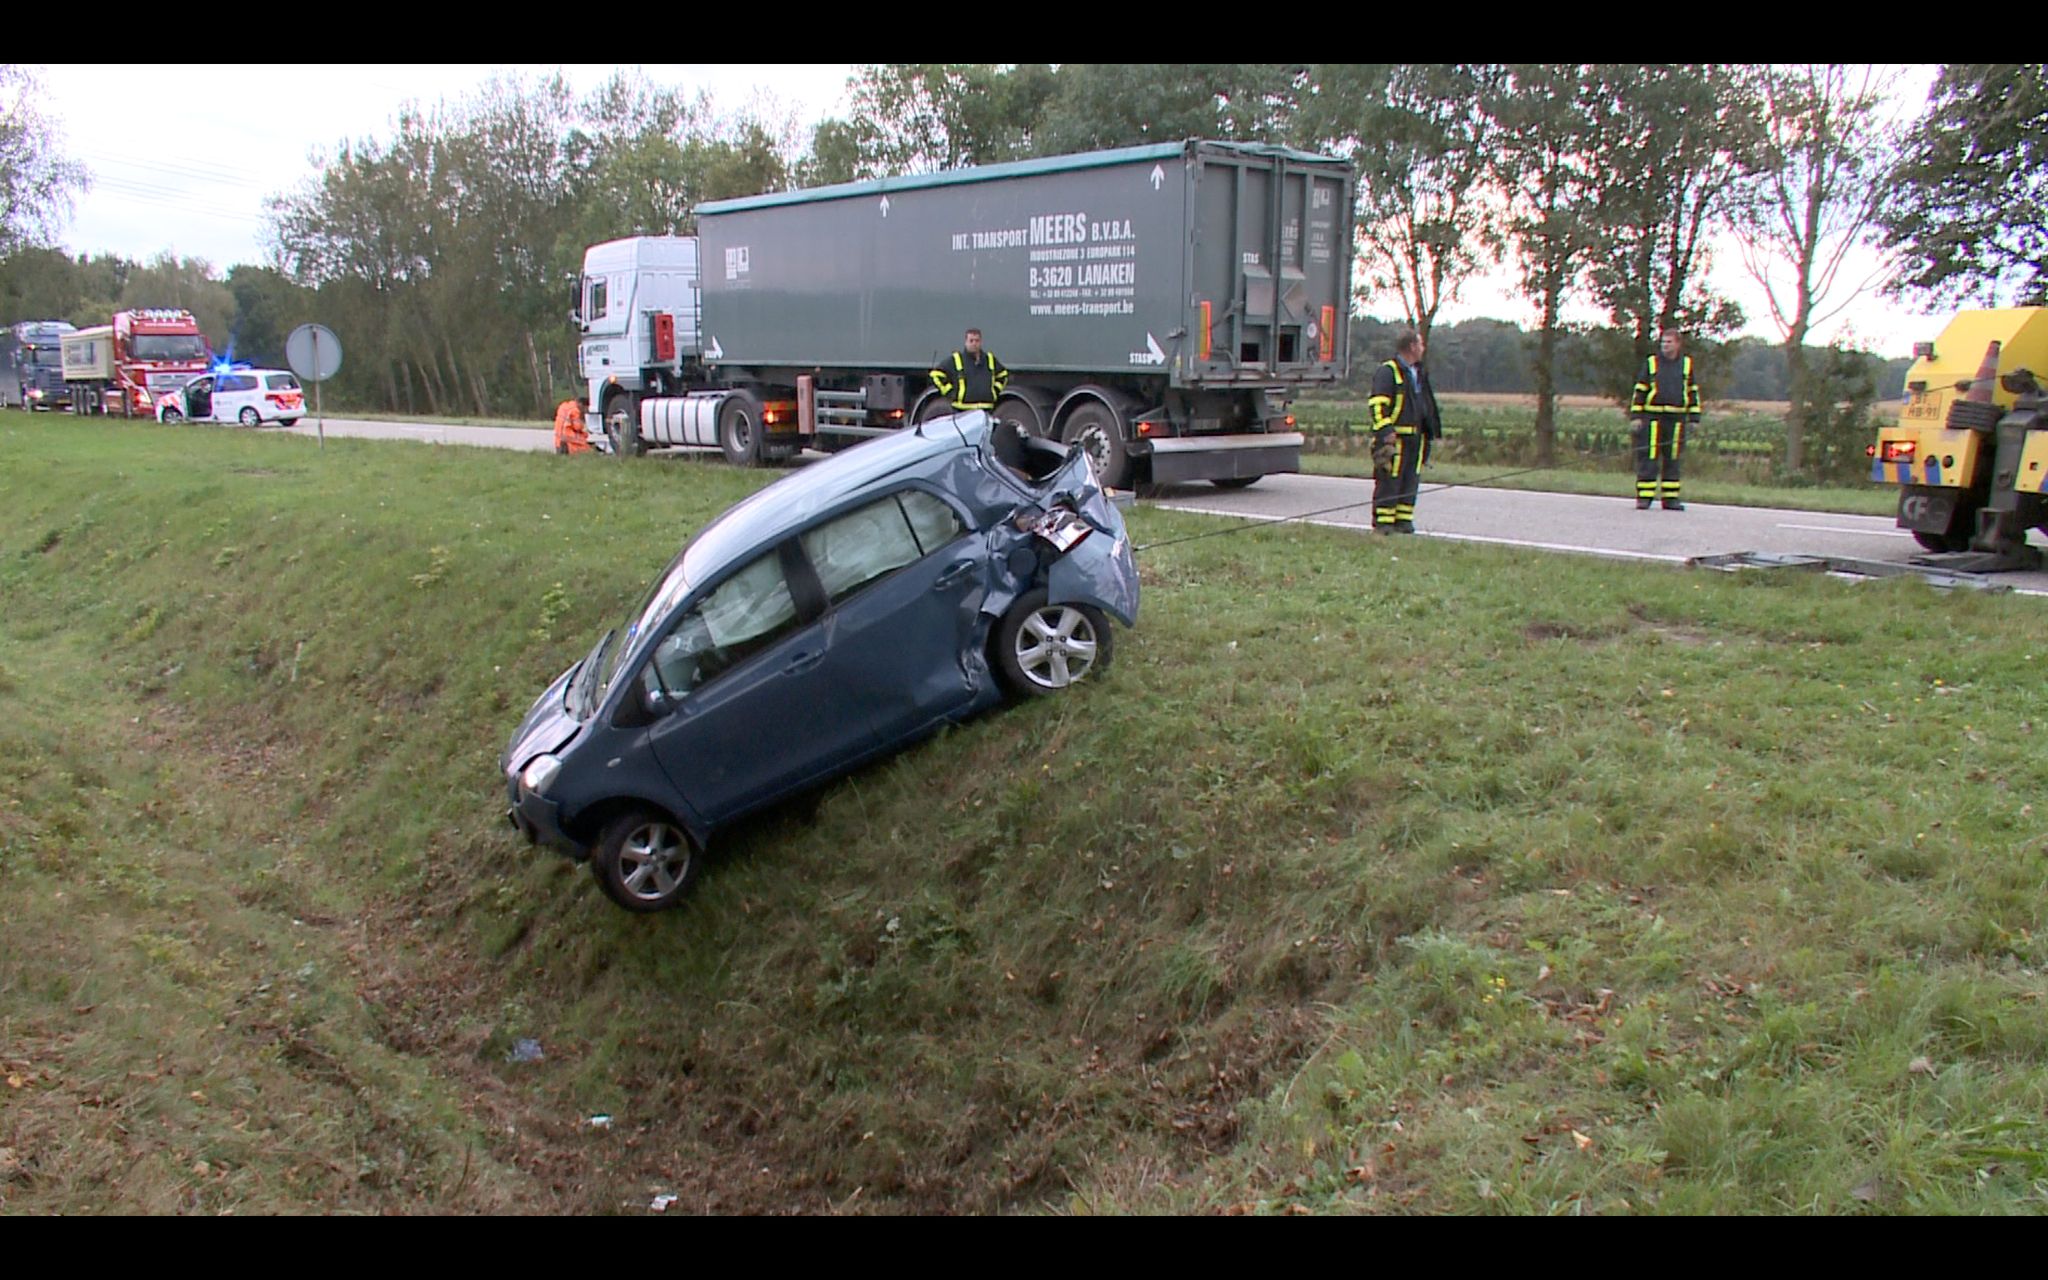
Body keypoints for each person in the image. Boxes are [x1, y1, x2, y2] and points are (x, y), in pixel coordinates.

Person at [1367, 328, 1442, 533]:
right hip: (1395, 438)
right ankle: (1384, 523)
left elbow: (1426, 404)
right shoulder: (1388, 371)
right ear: (1412, 346)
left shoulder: (1419, 372)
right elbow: (1377, 404)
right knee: (1390, 480)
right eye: (1420, 344)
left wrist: (1431, 431)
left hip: (1416, 437)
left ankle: (1403, 521)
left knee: (1410, 480)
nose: (1423, 348)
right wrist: (1385, 432)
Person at [1629, 329, 1701, 510]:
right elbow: (1640, 389)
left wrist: (1694, 418)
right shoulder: (1652, 363)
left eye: (1669, 342)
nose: (1665, 345)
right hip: (1652, 417)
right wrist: (1636, 416)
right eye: (1663, 342)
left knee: (1673, 458)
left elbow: (1692, 391)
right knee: (1649, 457)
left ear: (1678, 344)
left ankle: (1670, 499)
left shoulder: (1686, 364)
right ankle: (1644, 497)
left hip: (1676, 419)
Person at [929, 327, 1009, 414]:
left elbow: (1003, 375)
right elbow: (936, 374)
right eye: (971, 341)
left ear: (980, 342)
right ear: (966, 342)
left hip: (986, 409)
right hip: (962, 410)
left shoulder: (989, 359)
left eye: (977, 341)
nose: (974, 343)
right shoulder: (956, 359)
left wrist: (994, 392)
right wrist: (951, 393)